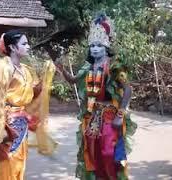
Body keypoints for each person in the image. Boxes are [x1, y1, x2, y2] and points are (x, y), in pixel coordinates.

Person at [56, 14, 137, 180]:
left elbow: (127, 89)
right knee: (93, 154)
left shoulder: (114, 66)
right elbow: (73, 80)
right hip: (92, 116)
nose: (94, 49)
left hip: (110, 115)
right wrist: (62, 69)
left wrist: (120, 115)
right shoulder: (88, 66)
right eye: (92, 45)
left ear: (106, 47)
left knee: (109, 153)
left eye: (98, 45)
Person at [0, 30, 57, 180]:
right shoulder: (1, 67)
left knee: (19, 160)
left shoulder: (25, 70)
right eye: (24, 43)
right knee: (8, 160)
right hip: (7, 122)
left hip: (21, 120)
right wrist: (0, 129)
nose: (28, 46)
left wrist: (46, 77)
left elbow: (32, 93)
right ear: (12, 47)